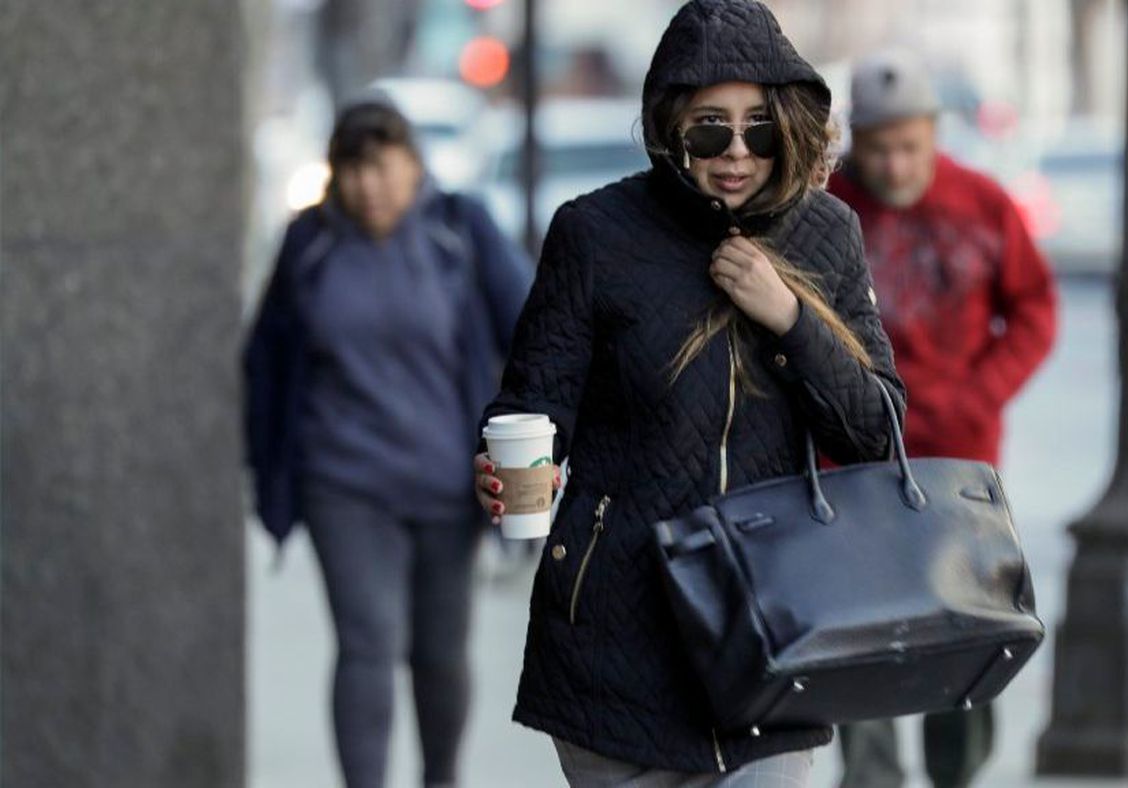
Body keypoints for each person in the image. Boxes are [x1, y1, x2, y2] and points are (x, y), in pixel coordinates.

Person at [472, 0, 906, 784]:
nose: (736, 153)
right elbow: (535, 399)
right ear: (671, 126)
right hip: (617, 637)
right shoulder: (595, 234)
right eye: (711, 128)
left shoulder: (828, 234)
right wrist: (504, 462)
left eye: (759, 128)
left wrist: (792, 318)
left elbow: (876, 431)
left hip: (775, 631)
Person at [243, 99, 531, 788]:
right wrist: (265, 469)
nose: (367, 184)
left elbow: (534, 328)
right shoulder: (309, 244)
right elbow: (265, 361)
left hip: (447, 485)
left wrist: (529, 451)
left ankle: (441, 778)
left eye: (381, 166)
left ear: (412, 163)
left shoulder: (458, 230)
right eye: (352, 169)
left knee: (439, 652)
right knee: (367, 645)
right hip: (343, 483)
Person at [827, 50, 1058, 788]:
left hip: (961, 462)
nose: (896, 167)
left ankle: (955, 775)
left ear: (934, 133)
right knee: (857, 632)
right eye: (880, 149)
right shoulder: (827, 211)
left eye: (910, 147)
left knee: (967, 629)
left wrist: (980, 393)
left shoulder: (983, 203)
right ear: (855, 142)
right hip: (853, 461)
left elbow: (1034, 311)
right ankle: (871, 779)